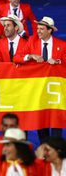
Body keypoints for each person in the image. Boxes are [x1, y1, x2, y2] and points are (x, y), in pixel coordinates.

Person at [14, 16, 66, 144]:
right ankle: (44, 149)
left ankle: (56, 149)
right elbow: (17, 57)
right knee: (41, 120)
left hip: (55, 92)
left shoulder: (62, 45)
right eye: (37, 28)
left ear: (50, 30)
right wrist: (30, 56)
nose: (38, 31)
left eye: (42, 29)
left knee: (55, 120)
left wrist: (58, 61)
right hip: (38, 91)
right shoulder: (32, 41)